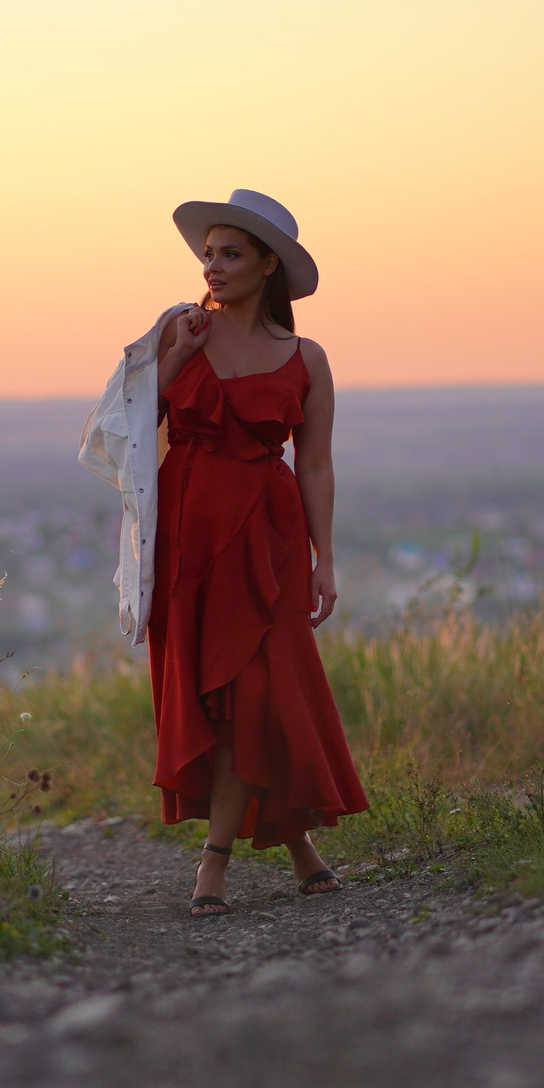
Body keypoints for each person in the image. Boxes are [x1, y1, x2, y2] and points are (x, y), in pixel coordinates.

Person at [148, 190, 367, 916]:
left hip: (266, 539)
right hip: (189, 537)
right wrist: (175, 356)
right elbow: (119, 427)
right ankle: (298, 846)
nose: (212, 266)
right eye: (207, 253)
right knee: (216, 692)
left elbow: (315, 465)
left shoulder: (307, 357)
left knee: (263, 689)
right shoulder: (178, 332)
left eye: (230, 253)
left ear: (268, 264)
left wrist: (323, 558)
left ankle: (215, 863)